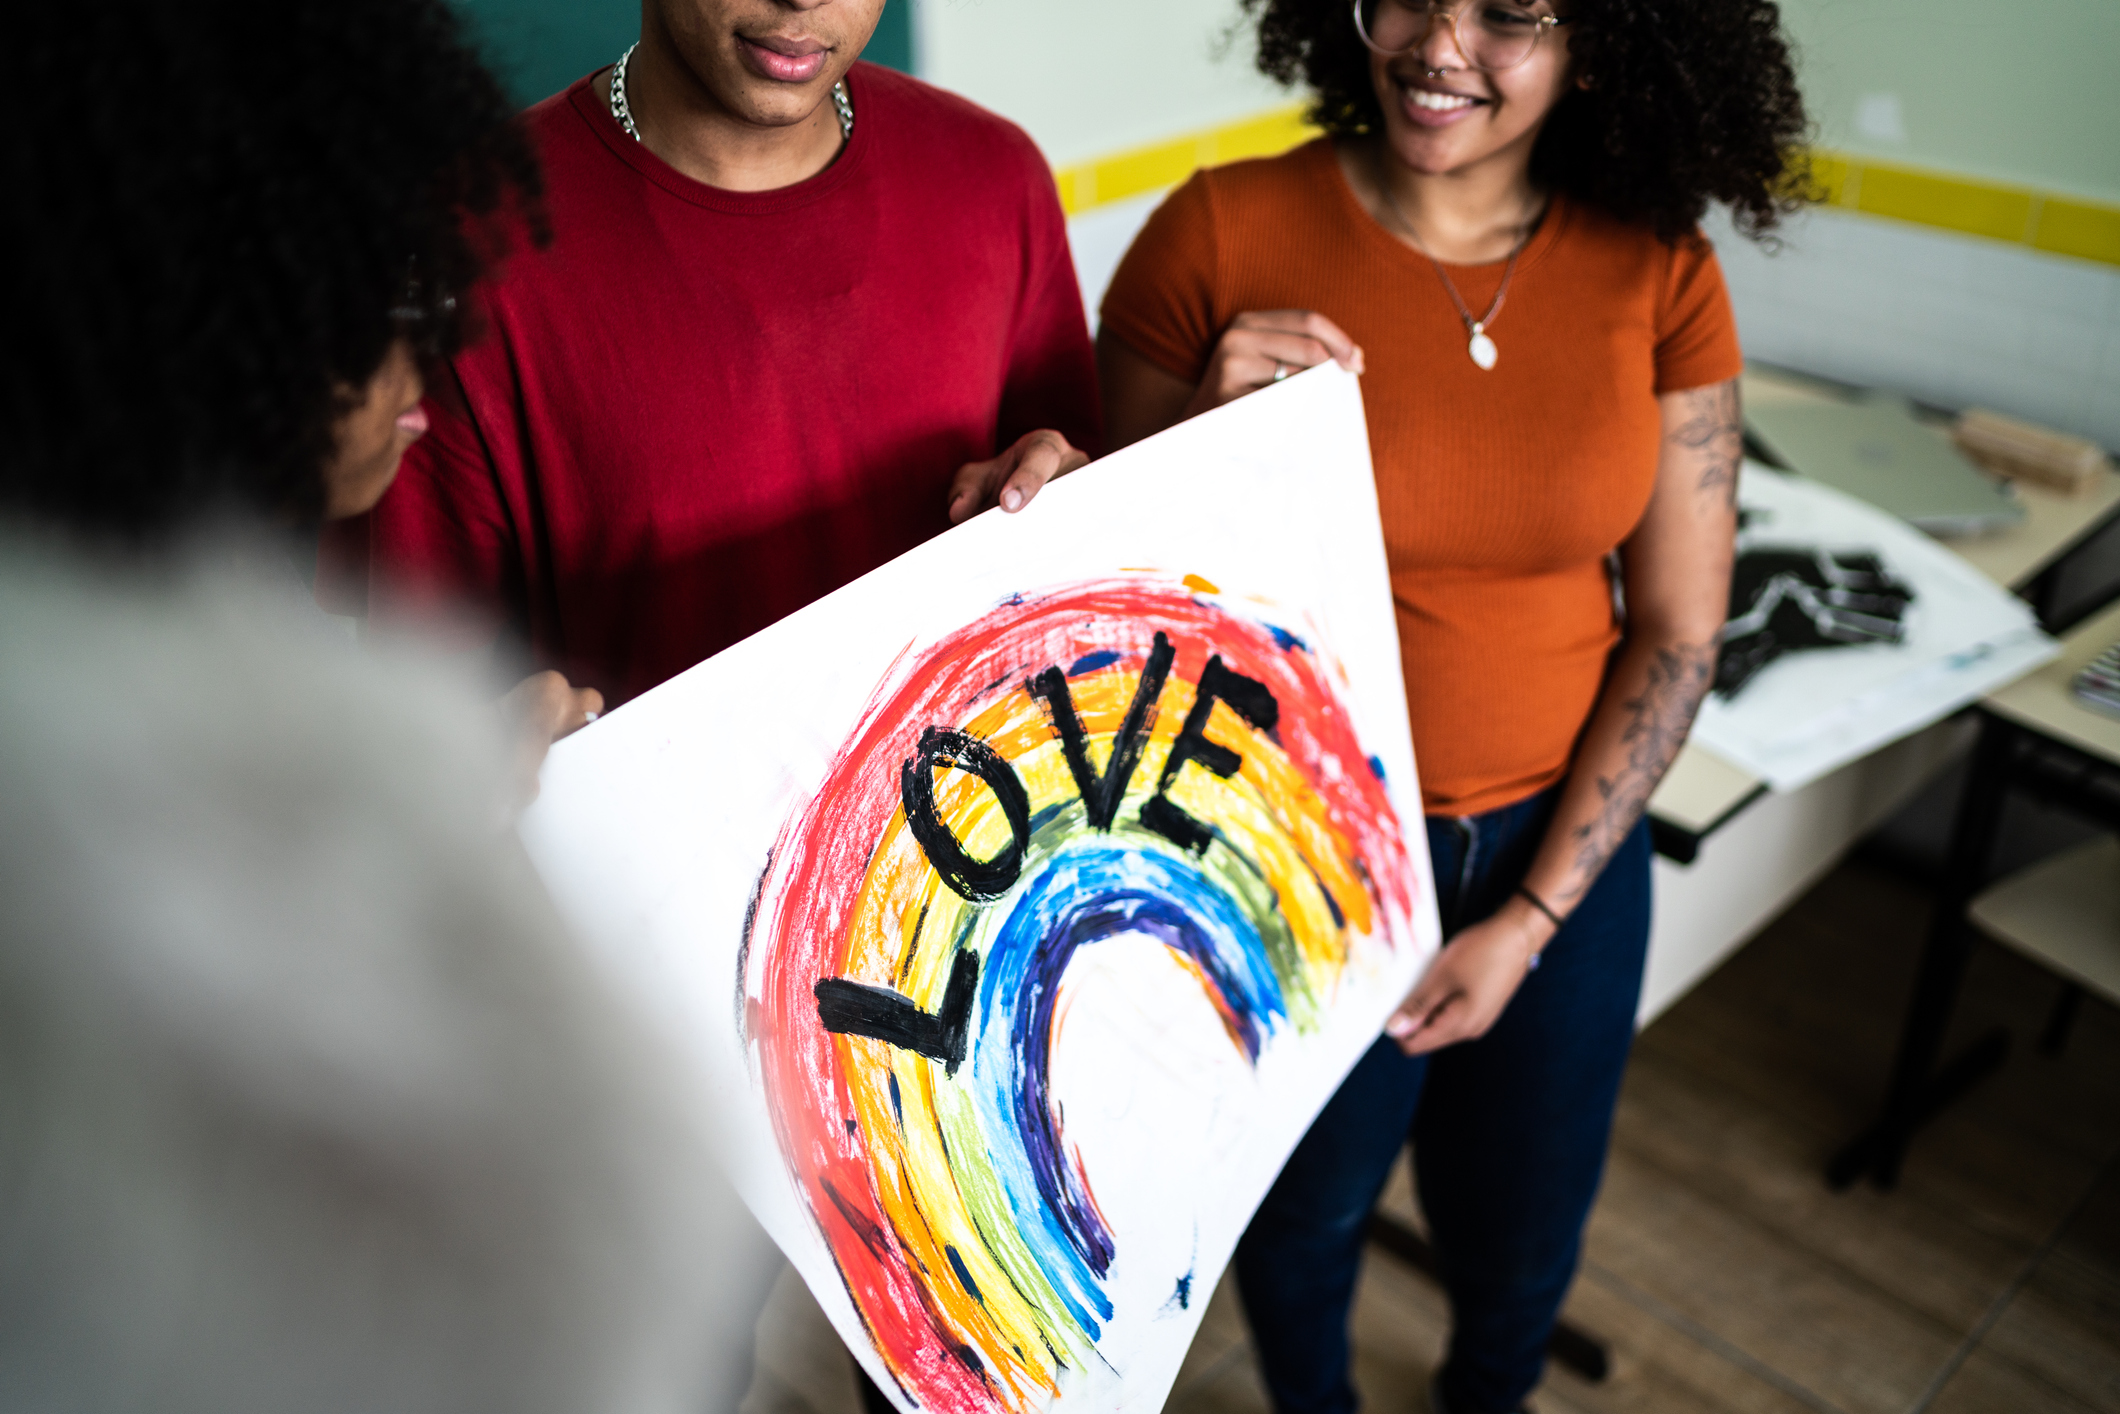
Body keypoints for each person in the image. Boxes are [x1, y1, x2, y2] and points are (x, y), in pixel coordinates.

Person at [0, 2, 761, 1409]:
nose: (443, 343)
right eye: (382, 297)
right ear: (220, 313)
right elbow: (587, 1293)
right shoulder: (263, 769)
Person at [1096, 1, 1805, 1411]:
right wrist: (1198, 442)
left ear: (1603, 40)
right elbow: (1112, 622)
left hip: (1564, 856)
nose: (1439, 42)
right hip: (1290, 851)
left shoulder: (1660, 265)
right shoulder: (1217, 236)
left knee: (1525, 1230)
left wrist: (1532, 916)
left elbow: (1676, 628)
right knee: (1302, 1216)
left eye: (1510, 13)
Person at [320, 0, 1102, 730]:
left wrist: (1074, 502)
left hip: (981, 840)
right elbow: (429, 710)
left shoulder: (995, 179)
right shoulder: (465, 254)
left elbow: (1092, 581)